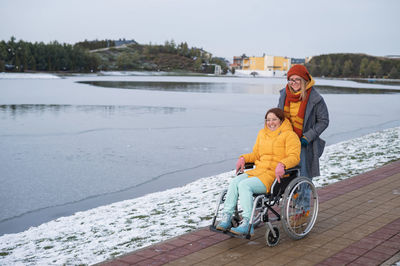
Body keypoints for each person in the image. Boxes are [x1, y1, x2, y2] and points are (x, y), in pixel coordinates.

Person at [216, 108, 300, 235]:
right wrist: (243, 158)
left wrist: (283, 164)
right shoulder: (262, 133)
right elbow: (256, 154)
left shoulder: (290, 135)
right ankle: (227, 216)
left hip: (273, 176)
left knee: (244, 185)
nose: (271, 123)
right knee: (235, 182)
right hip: (258, 171)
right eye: (268, 120)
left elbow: (294, 157)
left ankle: (247, 223)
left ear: (281, 120)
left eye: (274, 120)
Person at [278, 64, 329, 216]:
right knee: (286, 174)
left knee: (304, 176)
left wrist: (308, 136)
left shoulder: (315, 98)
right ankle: (291, 203)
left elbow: (324, 121)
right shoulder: (284, 94)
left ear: (304, 80)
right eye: (290, 80)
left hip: (304, 143)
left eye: (296, 80)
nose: (293, 83)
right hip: (286, 142)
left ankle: (303, 210)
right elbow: (280, 117)